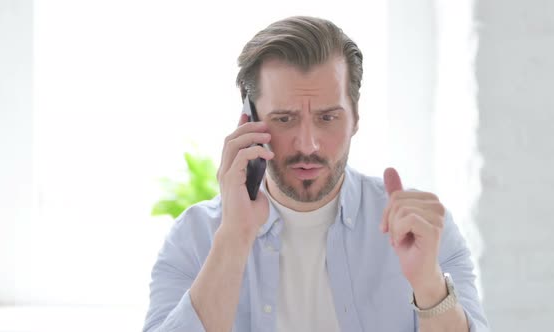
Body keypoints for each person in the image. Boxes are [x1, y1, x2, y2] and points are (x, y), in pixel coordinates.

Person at [143, 16, 489, 332]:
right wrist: (234, 236)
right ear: (249, 121)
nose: (308, 144)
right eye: (284, 118)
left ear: (355, 117)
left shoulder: (424, 231)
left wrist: (428, 284)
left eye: (327, 118)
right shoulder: (194, 238)